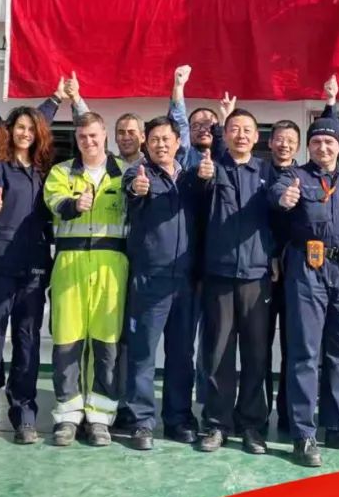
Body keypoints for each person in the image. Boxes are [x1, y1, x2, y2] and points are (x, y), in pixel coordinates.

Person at [269, 114, 339, 467]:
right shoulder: (294, 177)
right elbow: (276, 196)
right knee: (305, 353)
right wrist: (284, 199)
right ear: (309, 146)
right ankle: (303, 433)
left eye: (329, 141)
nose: (323, 147)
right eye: (316, 142)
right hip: (307, 269)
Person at [0, 108, 54, 447]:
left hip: (33, 269)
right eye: (20, 127)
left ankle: (24, 416)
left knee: (27, 344)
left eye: (31, 128)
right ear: (10, 131)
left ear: (38, 133)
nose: (25, 133)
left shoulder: (45, 173)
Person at [122, 117, 207, 447]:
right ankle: (142, 421)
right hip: (150, 279)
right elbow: (132, 190)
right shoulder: (138, 172)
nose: (160, 144)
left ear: (177, 142)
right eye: (154, 139)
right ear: (146, 143)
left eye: (166, 139)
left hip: (185, 280)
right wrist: (137, 188)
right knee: (143, 352)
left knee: (181, 353)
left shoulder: (191, 178)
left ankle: (178, 418)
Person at [43, 111, 127, 445]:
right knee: (67, 341)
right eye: (82, 137)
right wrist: (74, 204)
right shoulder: (61, 172)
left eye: (93, 135)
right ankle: (67, 415)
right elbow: (54, 202)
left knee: (107, 343)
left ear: (104, 134)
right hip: (70, 264)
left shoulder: (126, 173)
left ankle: (100, 417)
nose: (88, 142)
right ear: (76, 139)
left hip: (112, 266)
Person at [195, 104, 274, 453]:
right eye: (234, 129)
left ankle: (252, 425)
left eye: (247, 130)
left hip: (257, 277)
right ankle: (217, 423)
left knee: (256, 353)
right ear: (224, 135)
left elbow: (279, 219)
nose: (241, 135)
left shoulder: (267, 172)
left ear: (257, 138)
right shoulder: (211, 169)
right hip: (220, 275)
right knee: (218, 352)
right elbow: (198, 206)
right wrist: (203, 179)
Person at [266, 116, 302, 434]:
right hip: (263, 272)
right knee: (259, 347)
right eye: (279, 138)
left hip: (296, 275)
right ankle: (259, 412)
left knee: (293, 346)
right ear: (270, 142)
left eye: (291, 140)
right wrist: (270, 257)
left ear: (298, 146)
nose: (284, 144)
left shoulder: (304, 177)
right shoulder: (258, 174)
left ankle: (289, 413)